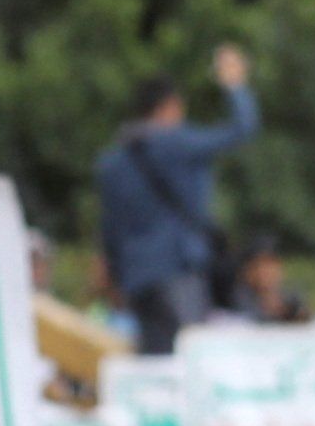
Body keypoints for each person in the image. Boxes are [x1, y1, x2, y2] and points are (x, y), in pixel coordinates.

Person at [88, 52, 258, 350]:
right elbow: (242, 128)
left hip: (136, 277)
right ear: (170, 106)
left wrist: (116, 275)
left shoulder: (111, 163)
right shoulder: (178, 142)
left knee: (156, 364)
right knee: (190, 357)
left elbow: (110, 229)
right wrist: (235, 84)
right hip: (179, 271)